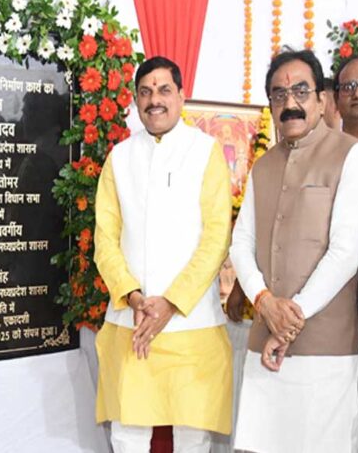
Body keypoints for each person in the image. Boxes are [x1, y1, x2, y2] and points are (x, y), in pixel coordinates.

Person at [230, 49, 358, 453]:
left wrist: (290, 319)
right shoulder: (263, 166)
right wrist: (264, 301)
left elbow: (345, 252)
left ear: (322, 99)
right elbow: (241, 243)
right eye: (279, 94)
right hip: (264, 345)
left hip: (324, 351)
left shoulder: (352, 156)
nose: (290, 102)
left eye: (300, 91)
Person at [94, 56, 233, 452]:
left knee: (193, 436)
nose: (154, 100)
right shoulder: (120, 157)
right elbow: (105, 238)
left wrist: (171, 303)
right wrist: (134, 296)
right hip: (131, 320)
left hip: (192, 322)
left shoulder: (205, 151)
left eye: (164, 90)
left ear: (181, 96)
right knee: (127, 434)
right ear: (136, 100)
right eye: (145, 92)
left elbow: (216, 236)